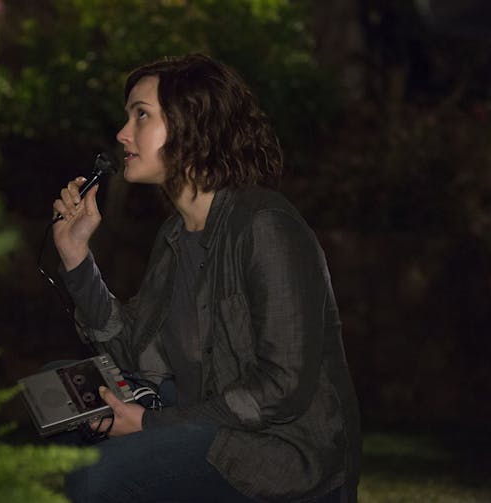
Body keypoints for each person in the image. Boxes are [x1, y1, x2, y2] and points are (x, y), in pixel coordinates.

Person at [51, 53, 361, 503]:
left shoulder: (266, 226)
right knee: (65, 394)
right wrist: (76, 255)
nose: (123, 133)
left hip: (277, 454)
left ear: (192, 126)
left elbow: (282, 387)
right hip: (204, 424)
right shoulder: (175, 234)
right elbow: (132, 350)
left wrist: (148, 424)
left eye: (141, 115)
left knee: (97, 479)